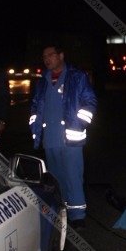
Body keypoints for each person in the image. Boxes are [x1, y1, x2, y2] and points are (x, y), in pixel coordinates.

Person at [29, 42, 97, 232]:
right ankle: (62, 211)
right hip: (50, 138)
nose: (46, 59)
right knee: (56, 179)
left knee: (73, 177)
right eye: (44, 56)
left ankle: (78, 217)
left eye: (50, 55)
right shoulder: (43, 80)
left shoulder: (77, 77)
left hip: (71, 138)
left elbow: (90, 102)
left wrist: (79, 123)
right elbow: (35, 105)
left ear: (61, 55)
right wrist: (35, 126)